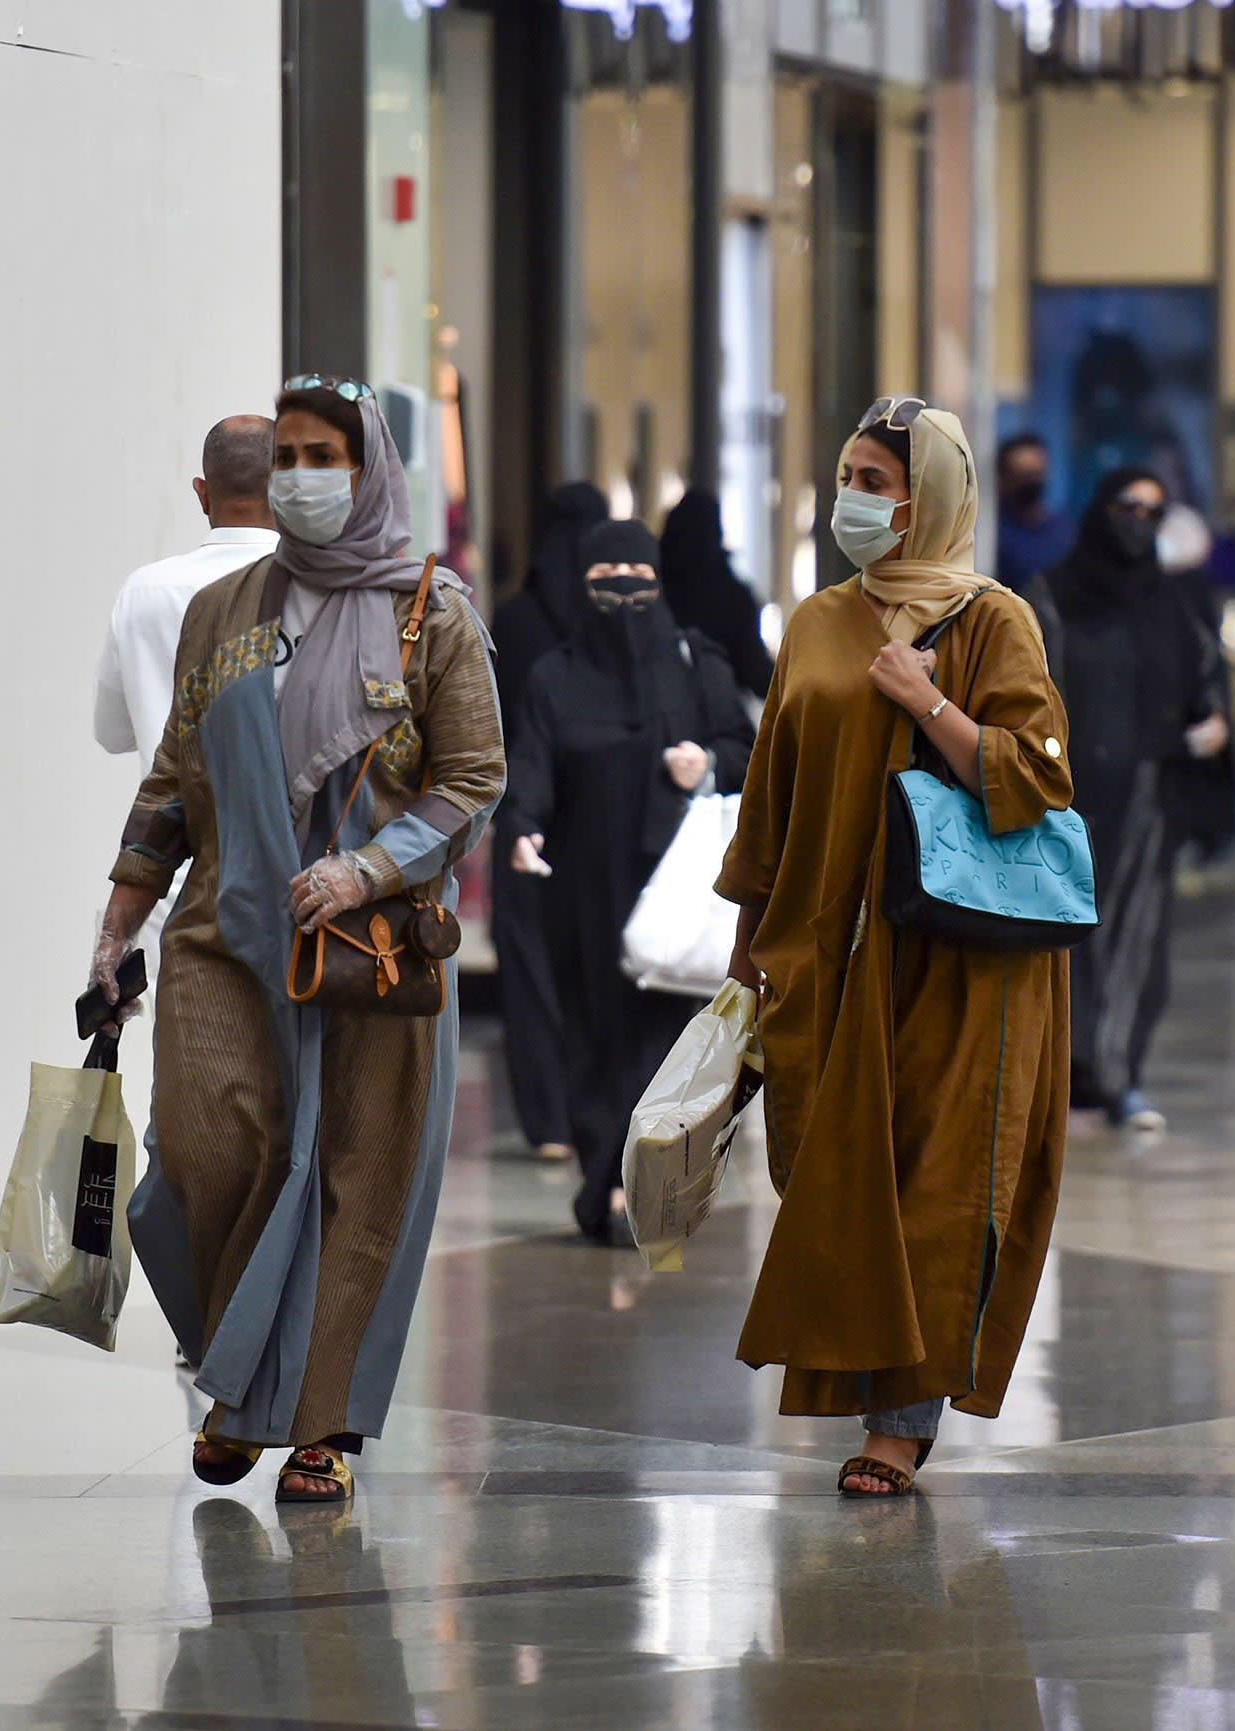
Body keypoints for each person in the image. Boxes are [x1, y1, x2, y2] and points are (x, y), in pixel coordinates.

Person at [91, 377, 504, 1506]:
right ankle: (241, 1374)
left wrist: (369, 866)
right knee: (204, 1149)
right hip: (226, 930)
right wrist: (121, 915)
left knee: (358, 1175)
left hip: (371, 944)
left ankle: (310, 1423)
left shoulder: (434, 613)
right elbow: (173, 775)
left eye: (324, 454)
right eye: (285, 454)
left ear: (369, 469)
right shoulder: (222, 612)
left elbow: (475, 778)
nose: (299, 475)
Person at [717, 397, 1074, 1499]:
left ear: (933, 500)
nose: (855, 500)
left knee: (936, 1185)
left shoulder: (990, 620)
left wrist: (929, 704)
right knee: (834, 1181)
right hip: (823, 951)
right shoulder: (817, 621)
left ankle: (898, 1426)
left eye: (878, 481)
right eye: (850, 476)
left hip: (960, 960)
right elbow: (771, 791)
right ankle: (868, 1388)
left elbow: (1041, 778)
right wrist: (744, 949)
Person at [499, 518, 756, 1242]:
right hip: (584, 893)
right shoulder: (556, 675)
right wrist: (523, 829)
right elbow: (533, 766)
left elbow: (745, 747)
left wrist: (703, 763)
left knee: (663, 1043)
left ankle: (639, 1184)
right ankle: (606, 1180)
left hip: (674, 895)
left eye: (635, 576)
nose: (621, 590)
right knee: (593, 1037)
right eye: (603, 576)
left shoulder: (694, 662)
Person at [1040, 467, 1229, 1132]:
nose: (1137, 521)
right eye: (1126, 506)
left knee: (1135, 936)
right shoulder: (1051, 595)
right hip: (1059, 795)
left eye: (1152, 512)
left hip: (1149, 792)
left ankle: (1118, 1075)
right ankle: (1064, 1074)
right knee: (1062, 939)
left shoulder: (1170, 603)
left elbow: (1207, 682)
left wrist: (1211, 725)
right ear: (1100, 508)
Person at [93, 415, 280, 976]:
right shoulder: (307, 592)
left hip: (166, 884)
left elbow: (110, 732)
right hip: (287, 886)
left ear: (203, 492)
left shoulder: (145, 590)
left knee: (179, 1060)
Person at [487, 480, 609, 1165]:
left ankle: (549, 1120)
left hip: (523, 813)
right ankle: (590, 1106)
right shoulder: (607, 616)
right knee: (585, 965)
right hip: (591, 817)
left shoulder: (514, 617)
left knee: (530, 970)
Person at [660, 489, 775, 697]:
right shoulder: (732, 597)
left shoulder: (654, 591)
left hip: (659, 716)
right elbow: (754, 669)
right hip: (716, 715)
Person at [992, 431, 1076, 592]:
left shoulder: (1064, 530)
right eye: (1021, 475)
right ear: (1003, 478)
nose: (1030, 482)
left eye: (1035, 474)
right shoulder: (989, 534)